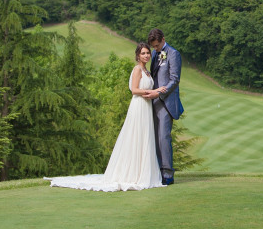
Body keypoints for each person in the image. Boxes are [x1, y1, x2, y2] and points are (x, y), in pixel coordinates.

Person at [45, 42, 165, 191]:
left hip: (146, 106)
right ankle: (132, 173)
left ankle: (143, 171)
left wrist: (153, 92)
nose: (146, 55)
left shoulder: (147, 71)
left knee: (145, 137)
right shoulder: (137, 70)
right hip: (139, 105)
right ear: (137, 55)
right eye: (143, 53)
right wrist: (152, 92)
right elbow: (134, 90)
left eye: (148, 53)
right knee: (136, 136)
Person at [146, 28, 184, 185]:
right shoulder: (155, 54)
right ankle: (157, 172)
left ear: (163, 39)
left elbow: (174, 80)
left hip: (166, 101)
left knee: (163, 138)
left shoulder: (173, 53)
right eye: (153, 46)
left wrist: (160, 93)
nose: (155, 49)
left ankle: (168, 174)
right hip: (153, 102)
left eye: (157, 45)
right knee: (154, 138)